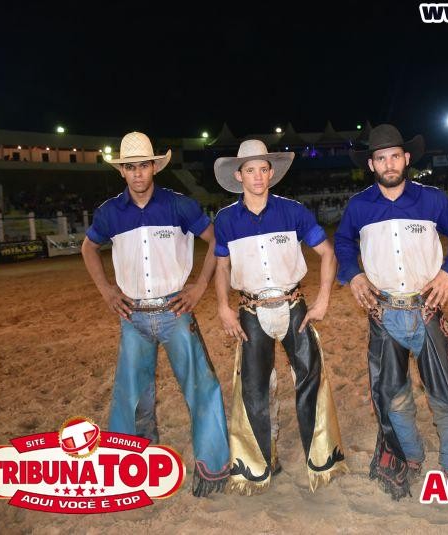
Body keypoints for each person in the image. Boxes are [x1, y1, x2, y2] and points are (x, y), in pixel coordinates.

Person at [335, 124, 448, 500]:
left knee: (444, 392)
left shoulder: (432, 199)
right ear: (372, 164)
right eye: (381, 158)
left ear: (406, 159)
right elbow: (341, 242)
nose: (389, 163)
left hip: (427, 309)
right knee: (393, 394)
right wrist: (353, 275)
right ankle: (410, 456)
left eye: (395, 156)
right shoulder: (359, 206)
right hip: (382, 312)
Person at [81, 131, 229, 496]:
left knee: (201, 387)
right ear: (122, 172)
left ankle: (212, 469)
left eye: (143, 165)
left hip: (175, 309)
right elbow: (88, 248)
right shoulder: (109, 212)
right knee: (131, 397)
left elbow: (216, 242)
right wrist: (106, 290)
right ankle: (135, 468)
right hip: (132, 316)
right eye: (130, 167)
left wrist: (199, 286)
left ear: (154, 167)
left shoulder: (179, 205)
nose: (137, 173)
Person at [213, 140, 347, 495]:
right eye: (250, 170)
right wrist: (223, 307)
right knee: (253, 389)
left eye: (263, 169)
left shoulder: (294, 211)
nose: (257, 176)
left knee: (310, 381)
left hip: (294, 305)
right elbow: (222, 266)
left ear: (270, 172)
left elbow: (327, 253)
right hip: (250, 311)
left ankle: (322, 460)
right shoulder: (226, 219)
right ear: (239, 175)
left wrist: (322, 300)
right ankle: (257, 466)